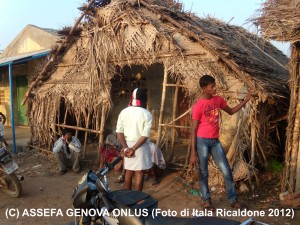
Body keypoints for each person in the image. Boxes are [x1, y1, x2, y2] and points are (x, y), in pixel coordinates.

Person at [190, 75, 256, 211]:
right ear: (204, 89)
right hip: (202, 142)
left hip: (215, 142)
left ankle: (233, 200)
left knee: (226, 171)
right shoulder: (198, 106)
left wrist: (246, 100)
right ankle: (206, 201)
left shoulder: (218, 100)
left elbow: (231, 111)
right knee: (203, 172)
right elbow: (193, 130)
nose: (215, 88)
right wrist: (193, 153)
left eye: (214, 86)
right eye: (212, 87)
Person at [116, 88, 152, 191]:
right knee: (139, 172)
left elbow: (119, 131)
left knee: (128, 171)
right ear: (144, 99)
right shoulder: (147, 114)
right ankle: (137, 199)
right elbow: (145, 135)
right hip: (140, 146)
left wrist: (126, 147)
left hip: (127, 144)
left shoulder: (123, 112)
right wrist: (133, 149)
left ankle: (128, 197)